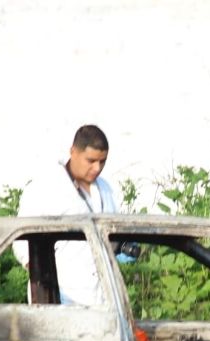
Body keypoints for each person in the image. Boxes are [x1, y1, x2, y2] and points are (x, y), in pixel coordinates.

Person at [14, 124, 126, 305]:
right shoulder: (46, 187)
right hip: (63, 299)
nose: (97, 168)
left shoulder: (105, 189)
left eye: (102, 161)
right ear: (73, 152)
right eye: (91, 161)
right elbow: (22, 242)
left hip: (105, 301)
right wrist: (45, 286)